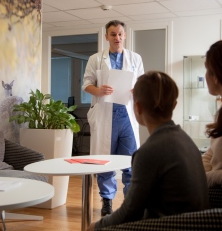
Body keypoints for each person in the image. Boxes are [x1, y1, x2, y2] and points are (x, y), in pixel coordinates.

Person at [86, 71, 209, 231]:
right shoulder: (186, 140)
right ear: (174, 105)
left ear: (137, 107)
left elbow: (129, 213)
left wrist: (95, 226)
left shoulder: (149, 152)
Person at [82, 20, 144, 216]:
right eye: (113, 34)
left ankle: (130, 202)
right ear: (107, 36)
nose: (117, 38)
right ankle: (107, 201)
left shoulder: (135, 58)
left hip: (127, 117)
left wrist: (137, 89)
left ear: (125, 35)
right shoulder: (95, 59)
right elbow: (86, 85)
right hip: (105, 114)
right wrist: (98, 90)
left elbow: (142, 82)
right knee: (104, 161)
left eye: (120, 34)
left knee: (130, 161)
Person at [202, 40, 222, 187]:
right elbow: (211, 154)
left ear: (216, 75)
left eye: (207, 70)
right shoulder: (220, 112)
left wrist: (202, 179)